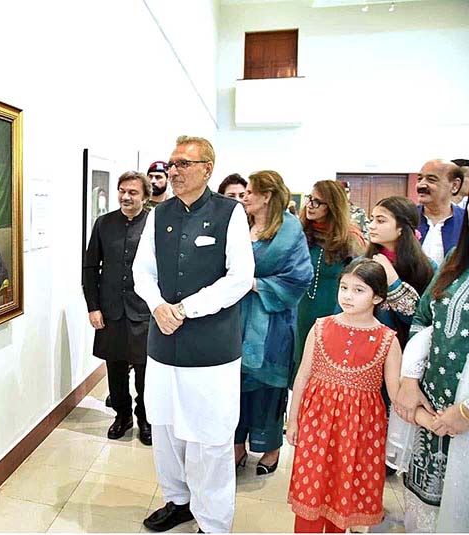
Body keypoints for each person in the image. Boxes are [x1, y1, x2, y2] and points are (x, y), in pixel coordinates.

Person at [134, 136, 254, 533]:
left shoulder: (229, 213)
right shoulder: (159, 213)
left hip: (212, 347)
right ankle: (178, 500)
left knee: (211, 437)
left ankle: (214, 520)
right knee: (166, 428)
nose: (174, 171)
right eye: (172, 163)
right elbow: (142, 272)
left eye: (184, 164)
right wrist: (157, 306)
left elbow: (240, 278)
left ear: (207, 169)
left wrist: (186, 309)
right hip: (163, 342)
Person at [287, 259, 402, 533]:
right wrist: (293, 421)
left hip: (361, 433)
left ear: (377, 296)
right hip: (317, 424)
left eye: (358, 290)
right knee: (311, 489)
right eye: (344, 287)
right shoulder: (321, 326)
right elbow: (302, 376)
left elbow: (396, 394)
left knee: (343, 490)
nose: (348, 296)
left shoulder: (388, 340)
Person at [393, 205, 469, 532]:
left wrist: (465, 413)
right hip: (432, 405)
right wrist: (410, 381)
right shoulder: (455, 259)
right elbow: (423, 317)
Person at [236, 170, 312, 476]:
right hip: (237, 317)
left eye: (250, 192)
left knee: (268, 386)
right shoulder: (240, 226)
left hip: (273, 321)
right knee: (237, 384)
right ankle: (237, 445)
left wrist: (257, 285)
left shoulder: (291, 232)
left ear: (267, 196)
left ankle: (270, 448)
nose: (245, 197)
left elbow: (300, 278)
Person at [83, 171, 153, 446]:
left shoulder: (154, 225)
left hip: (144, 310)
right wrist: (93, 306)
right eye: (122, 191)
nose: (126, 196)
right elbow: (90, 267)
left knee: (145, 369)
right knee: (115, 367)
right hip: (110, 310)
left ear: (145, 197)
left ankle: (145, 419)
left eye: (133, 192)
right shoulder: (104, 224)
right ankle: (122, 416)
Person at [295, 180, 365, 376]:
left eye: (318, 202)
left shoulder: (349, 239)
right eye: (310, 199)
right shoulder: (299, 233)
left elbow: (361, 280)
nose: (310, 205)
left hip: (333, 311)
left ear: (332, 206)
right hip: (300, 311)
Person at [365, 196, 436, 347]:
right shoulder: (361, 264)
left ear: (401, 228)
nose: (371, 226)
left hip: (407, 350)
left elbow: (420, 319)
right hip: (365, 348)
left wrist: (392, 280)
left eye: (380, 220)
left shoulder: (427, 268)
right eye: (372, 219)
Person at [415, 159, 465, 265]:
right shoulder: (404, 218)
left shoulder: (465, 221)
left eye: (431, 180)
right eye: (419, 179)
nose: (421, 185)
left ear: (455, 186)